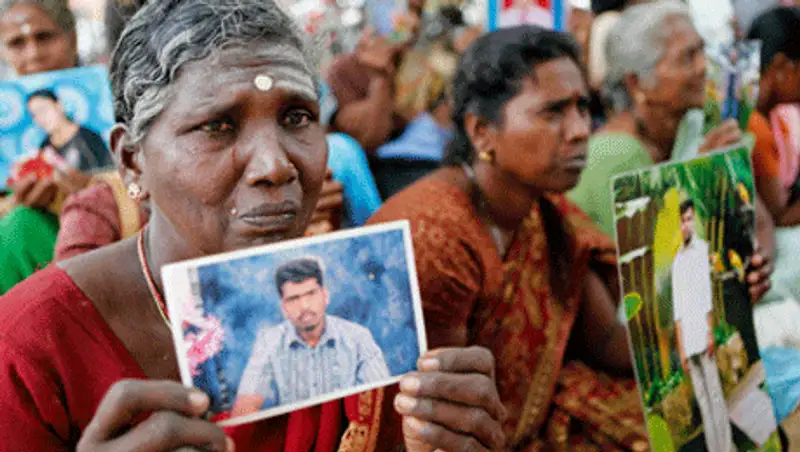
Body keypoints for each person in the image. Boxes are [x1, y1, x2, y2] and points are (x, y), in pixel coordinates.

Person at [0, 1, 507, 451]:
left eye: (296, 117)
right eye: (217, 126)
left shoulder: (365, 308)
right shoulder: (30, 343)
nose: (275, 166)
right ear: (132, 162)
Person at [370, 25, 651, 450]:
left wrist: (716, 297)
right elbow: (432, 425)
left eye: (581, 108)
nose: (580, 131)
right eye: (553, 112)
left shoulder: (543, 214)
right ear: (482, 131)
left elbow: (608, 343)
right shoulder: (436, 238)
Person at [0, 0, 96, 294]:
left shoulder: (107, 110)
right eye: (17, 43)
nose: (34, 54)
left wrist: (95, 190)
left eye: (44, 37)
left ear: (72, 38)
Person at [234, 257, 390, 415]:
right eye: (294, 299)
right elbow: (243, 411)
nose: (305, 306)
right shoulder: (269, 342)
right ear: (284, 307)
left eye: (311, 294)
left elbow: (383, 401)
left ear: (325, 296)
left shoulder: (358, 338)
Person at [672, 199, 734, 452]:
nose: (686, 224)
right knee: (703, 401)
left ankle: (727, 447)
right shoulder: (677, 259)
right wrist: (682, 349)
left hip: (702, 330)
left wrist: (709, 332)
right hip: (688, 337)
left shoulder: (702, 250)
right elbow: (677, 310)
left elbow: (706, 297)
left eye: (689, 219)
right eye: (682, 221)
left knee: (716, 397)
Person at [27, 89, 113, 172]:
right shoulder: (44, 147)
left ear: (59, 106)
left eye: (42, 110)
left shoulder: (88, 138)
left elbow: (107, 176)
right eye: (34, 115)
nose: (39, 119)